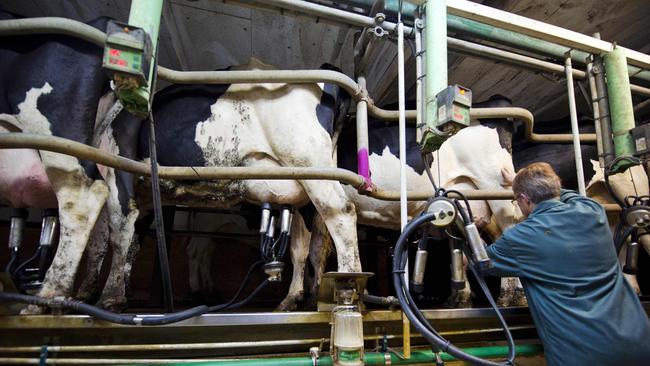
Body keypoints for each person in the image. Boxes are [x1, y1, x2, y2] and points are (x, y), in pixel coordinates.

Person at [484, 162, 650, 366]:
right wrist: (531, 183)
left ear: (524, 200)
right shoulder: (593, 210)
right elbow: (567, 195)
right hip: (639, 343)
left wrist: (473, 232)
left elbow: (481, 262)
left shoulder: (521, 236)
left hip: (582, 355)